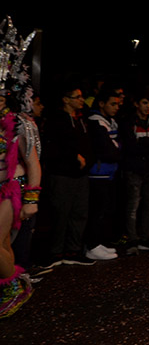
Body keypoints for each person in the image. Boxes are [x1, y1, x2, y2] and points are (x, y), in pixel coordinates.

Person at [0, 19, 42, 317]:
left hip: (8, 192)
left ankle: (16, 286)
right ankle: (7, 289)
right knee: (2, 244)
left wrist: (31, 199)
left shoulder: (20, 124)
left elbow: (33, 164)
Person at [42, 82, 94, 266]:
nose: (81, 100)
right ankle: (55, 252)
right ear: (65, 99)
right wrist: (74, 156)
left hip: (81, 174)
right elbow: (53, 147)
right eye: (77, 97)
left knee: (79, 213)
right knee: (60, 213)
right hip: (62, 174)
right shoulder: (57, 120)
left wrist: (88, 160)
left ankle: (73, 250)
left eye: (81, 97)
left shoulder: (81, 119)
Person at [120, 88, 149, 253]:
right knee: (133, 205)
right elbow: (130, 146)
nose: (148, 106)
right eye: (145, 103)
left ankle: (144, 237)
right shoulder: (129, 122)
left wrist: (144, 142)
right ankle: (133, 238)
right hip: (135, 169)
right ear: (137, 104)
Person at [84, 86, 122, 260]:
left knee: (106, 209)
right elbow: (106, 149)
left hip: (109, 172)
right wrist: (118, 151)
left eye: (118, 104)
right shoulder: (95, 121)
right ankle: (91, 245)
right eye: (112, 104)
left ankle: (98, 242)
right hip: (98, 173)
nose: (116, 107)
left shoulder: (110, 121)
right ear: (101, 104)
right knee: (97, 210)